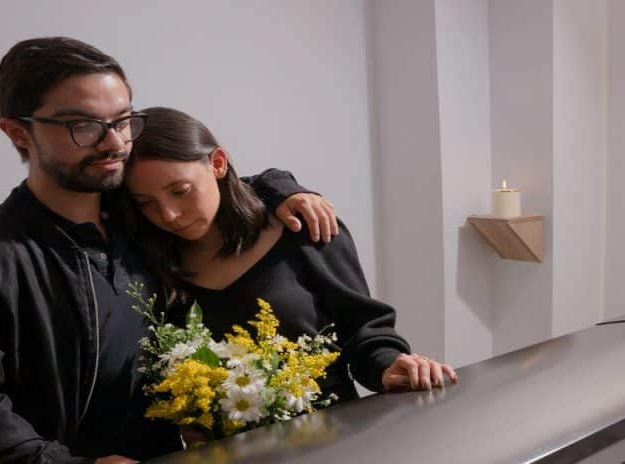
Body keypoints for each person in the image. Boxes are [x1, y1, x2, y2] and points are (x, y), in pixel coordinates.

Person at [0, 37, 338, 464]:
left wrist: (282, 189)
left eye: (122, 120)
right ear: (17, 132)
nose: (115, 143)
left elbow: (207, 180)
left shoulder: (144, 221)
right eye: (83, 125)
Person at [126, 107, 457, 403]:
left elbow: (364, 329)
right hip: (223, 450)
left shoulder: (304, 227)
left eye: (180, 191)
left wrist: (389, 366)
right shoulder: (146, 264)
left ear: (217, 163)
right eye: (146, 203)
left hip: (333, 435)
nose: (169, 215)